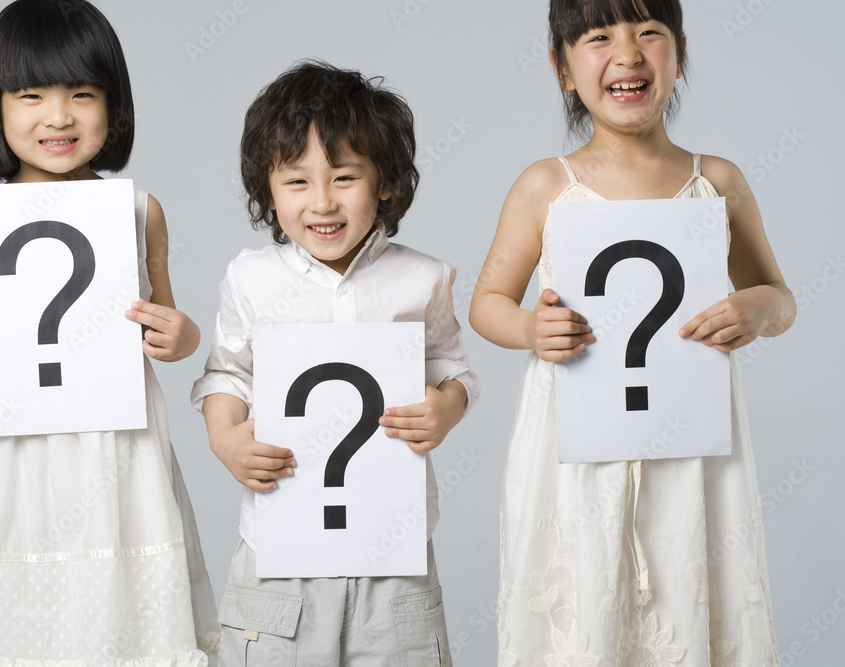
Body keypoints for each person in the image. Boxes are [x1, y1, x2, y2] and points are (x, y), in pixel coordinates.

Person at [470, 0, 795, 663]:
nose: (627, 53)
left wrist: (757, 309)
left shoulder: (718, 182)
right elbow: (487, 303)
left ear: (678, 51)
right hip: (578, 441)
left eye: (648, 32)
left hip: (692, 440)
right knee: (584, 598)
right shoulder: (544, 186)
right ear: (563, 68)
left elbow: (781, 296)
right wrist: (533, 326)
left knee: (689, 582)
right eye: (598, 37)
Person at [0, 1, 217, 664]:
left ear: (114, 104)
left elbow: (171, 321)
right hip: (6, 449)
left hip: (114, 446)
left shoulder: (139, 211)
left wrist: (179, 334)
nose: (59, 116)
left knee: (120, 604)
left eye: (82, 93)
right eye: (31, 95)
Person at [191, 61, 480, 665]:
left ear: (385, 183)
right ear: (266, 190)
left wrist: (446, 409)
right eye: (296, 182)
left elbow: (454, 367)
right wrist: (225, 437)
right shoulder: (251, 279)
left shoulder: (423, 279)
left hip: (392, 553)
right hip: (278, 557)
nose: (322, 202)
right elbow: (226, 372)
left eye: (344, 177)